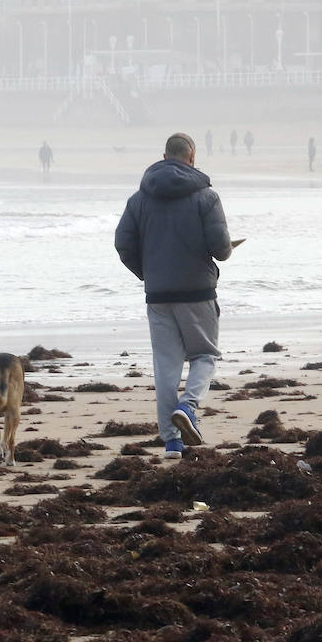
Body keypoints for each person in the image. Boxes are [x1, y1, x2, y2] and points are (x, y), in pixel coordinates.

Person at [114, 132, 233, 460]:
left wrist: (147, 272)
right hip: (198, 292)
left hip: (159, 295)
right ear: (192, 158)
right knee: (205, 356)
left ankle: (172, 443)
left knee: (166, 367)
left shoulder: (138, 199)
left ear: (164, 156)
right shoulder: (206, 197)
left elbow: (123, 245)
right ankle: (188, 407)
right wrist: (224, 251)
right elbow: (221, 248)